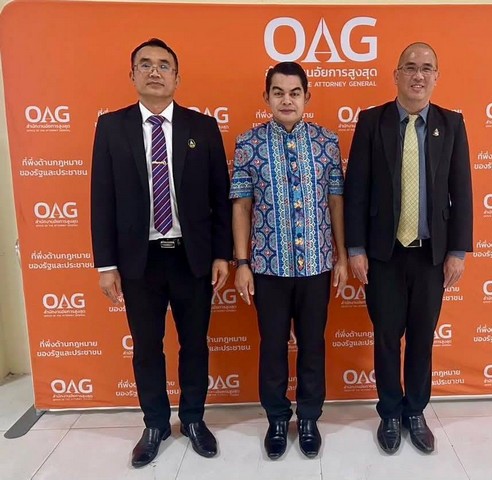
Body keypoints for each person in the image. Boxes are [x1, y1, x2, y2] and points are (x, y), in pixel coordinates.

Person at [90, 38, 232, 467]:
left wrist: (221, 255)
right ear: (132, 74)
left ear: (177, 77)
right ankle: (154, 423)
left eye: (164, 65)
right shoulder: (112, 127)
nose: (155, 71)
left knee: (195, 344)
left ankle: (193, 419)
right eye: (146, 64)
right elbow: (102, 199)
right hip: (139, 261)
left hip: (191, 257)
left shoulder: (201, 127)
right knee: (147, 347)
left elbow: (220, 197)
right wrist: (106, 265)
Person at [344, 42, 473, 455]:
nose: (419, 75)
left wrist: (458, 251)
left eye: (427, 68)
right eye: (411, 67)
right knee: (386, 336)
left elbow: (462, 191)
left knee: (421, 337)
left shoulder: (452, 124)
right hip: (383, 253)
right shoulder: (372, 121)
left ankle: (415, 411)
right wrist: (355, 247)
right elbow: (356, 188)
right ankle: (389, 413)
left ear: (436, 76)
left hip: (431, 255)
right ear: (396, 74)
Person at [230, 61, 347, 460]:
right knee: (273, 346)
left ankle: (310, 418)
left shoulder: (327, 142)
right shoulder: (248, 144)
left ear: (306, 97)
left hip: (317, 265)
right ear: (266, 97)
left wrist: (341, 257)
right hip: (268, 267)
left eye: (294, 93)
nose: (286, 100)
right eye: (278, 92)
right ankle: (278, 419)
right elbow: (241, 206)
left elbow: (336, 203)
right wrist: (242, 263)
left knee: (313, 345)